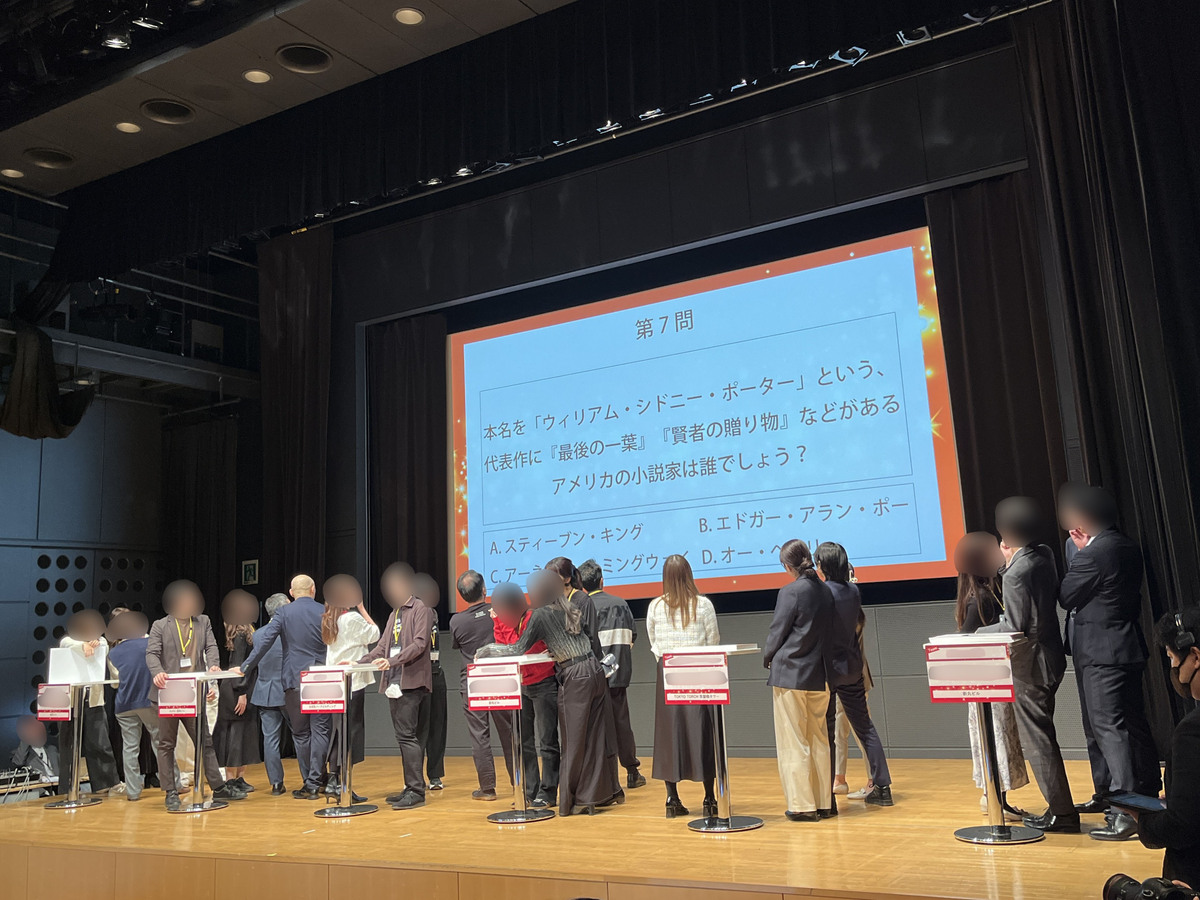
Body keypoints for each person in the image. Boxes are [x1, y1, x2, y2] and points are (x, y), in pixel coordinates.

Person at [1060, 484, 1162, 840]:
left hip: (1101, 653)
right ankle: (1135, 793)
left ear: (1086, 517)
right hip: (1125, 646)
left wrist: (1080, 551)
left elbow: (1067, 595)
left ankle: (1125, 810)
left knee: (1108, 728)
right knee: (1129, 723)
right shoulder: (1126, 545)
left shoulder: (1093, 552)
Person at [478, 571, 623, 816]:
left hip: (575, 675)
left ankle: (576, 800)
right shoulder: (569, 607)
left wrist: (486, 650)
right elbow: (587, 639)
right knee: (596, 737)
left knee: (572, 742)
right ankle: (606, 792)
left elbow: (517, 649)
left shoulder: (540, 615)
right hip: (594, 670)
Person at [983, 497, 1078, 834]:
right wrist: (1007, 564)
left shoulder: (1017, 571)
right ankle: (1061, 809)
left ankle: (1062, 813)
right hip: (1050, 656)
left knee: (1038, 742)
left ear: (1005, 531)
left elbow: (1014, 627)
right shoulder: (1044, 553)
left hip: (1031, 665)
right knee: (1043, 737)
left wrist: (977, 633)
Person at [146, 580, 246, 810]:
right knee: (167, 744)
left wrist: (213, 668)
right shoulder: (160, 625)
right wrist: (158, 672)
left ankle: (218, 787)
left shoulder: (203, 621)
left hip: (194, 690)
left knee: (204, 741)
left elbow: (211, 647)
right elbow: (151, 654)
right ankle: (171, 791)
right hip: (169, 691)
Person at [953, 531, 1030, 818]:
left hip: (994, 679)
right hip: (986, 683)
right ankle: (994, 797)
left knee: (1000, 739)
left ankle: (995, 797)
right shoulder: (980, 599)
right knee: (996, 739)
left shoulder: (985, 593)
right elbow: (966, 641)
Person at [235, 574, 331, 800]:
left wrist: (246, 666)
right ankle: (317, 780)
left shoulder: (284, 614)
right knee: (321, 731)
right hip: (321, 676)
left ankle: (306, 785)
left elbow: (265, 642)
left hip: (293, 680)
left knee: (301, 734)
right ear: (313, 589)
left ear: (291, 592)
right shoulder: (324, 611)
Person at [815, 542, 893, 807]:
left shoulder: (822, 592)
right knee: (865, 728)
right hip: (852, 667)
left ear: (822, 566)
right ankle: (882, 787)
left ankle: (827, 792)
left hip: (828, 669)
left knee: (826, 731)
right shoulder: (853, 590)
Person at [764, 539, 835, 822]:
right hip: (820, 674)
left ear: (787, 565)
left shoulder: (790, 591)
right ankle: (823, 803)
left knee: (793, 740)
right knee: (819, 738)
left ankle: (802, 805)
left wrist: (768, 657)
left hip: (790, 673)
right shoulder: (826, 590)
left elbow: (777, 631)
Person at [647, 554, 720, 819]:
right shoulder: (703, 605)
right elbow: (713, 640)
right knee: (703, 731)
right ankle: (709, 798)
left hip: (668, 671)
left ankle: (672, 798)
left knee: (670, 734)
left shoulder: (655, 606)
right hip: (699, 670)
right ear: (689, 574)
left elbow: (654, 642)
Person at [1132, 608, 1200, 887]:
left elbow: (1183, 825)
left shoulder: (1192, 731)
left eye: (1172, 657)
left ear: (1195, 657)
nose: (1173, 668)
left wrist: (1143, 821)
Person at [358, 562, 433, 811]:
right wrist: (359, 662)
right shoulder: (395, 613)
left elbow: (420, 644)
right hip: (394, 681)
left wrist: (391, 661)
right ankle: (410, 786)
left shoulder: (421, 608)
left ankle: (416, 790)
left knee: (408, 736)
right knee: (403, 736)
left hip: (412, 681)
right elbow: (382, 647)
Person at [492, 581, 560, 808]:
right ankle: (530, 791)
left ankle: (548, 792)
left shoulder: (534, 617)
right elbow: (502, 646)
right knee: (524, 741)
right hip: (520, 685)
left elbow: (522, 647)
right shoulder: (502, 620)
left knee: (547, 740)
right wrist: (498, 622)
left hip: (543, 682)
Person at [448, 570, 514, 800]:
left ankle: (487, 789)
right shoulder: (499, 611)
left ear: (462, 595)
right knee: (509, 732)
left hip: (472, 680)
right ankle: (519, 784)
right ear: (485, 590)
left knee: (479, 734)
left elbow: (457, 645)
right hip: (500, 677)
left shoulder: (456, 621)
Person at [579, 558, 645, 789]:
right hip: (617, 673)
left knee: (596, 727)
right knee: (621, 722)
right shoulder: (620, 603)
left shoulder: (581, 607)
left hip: (591, 675)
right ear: (602, 581)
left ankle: (605, 779)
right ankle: (632, 772)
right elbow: (632, 636)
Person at [322, 574, 379, 802]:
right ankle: (342, 783)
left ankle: (334, 780)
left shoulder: (328, 620)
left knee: (338, 731)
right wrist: (362, 608)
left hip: (335, 684)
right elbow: (375, 633)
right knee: (351, 732)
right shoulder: (352, 618)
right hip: (352, 683)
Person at [57, 609, 121, 795]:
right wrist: (84, 644)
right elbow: (68, 644)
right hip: (68, 701)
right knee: (68, 745)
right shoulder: (68, 641)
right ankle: (67, 787)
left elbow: (103, 645)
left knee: (99, 742)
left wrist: (95, 642)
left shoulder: (101, 641)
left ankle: (105, 784)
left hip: (94, 699)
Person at [106, 611, 162, 802]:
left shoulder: (113, 652)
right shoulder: (150, 644)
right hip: (147, 700)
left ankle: (132, 791)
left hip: (123, 704)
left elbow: (115, 682)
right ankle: (173, 783)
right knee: (161, 743)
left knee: (129, 748)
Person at [212, 589, 262, 794]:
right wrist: (242, 693)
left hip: (241, 686)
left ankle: (239, 778)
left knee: (243, 734)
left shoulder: (245, 631)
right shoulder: (240, 635)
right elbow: (238, 666)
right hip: (236, 689)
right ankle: (231, 779)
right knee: (234, 735)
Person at [250, 593, 290, 794]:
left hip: (265, 691)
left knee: (270, 740)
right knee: (301, 736)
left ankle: (276, 783)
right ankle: (310, 781)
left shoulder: (257, 634)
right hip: (288, 691)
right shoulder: (290, 633)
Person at [413, 572, 448, 792]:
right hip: (418, 677)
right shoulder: (408, 615)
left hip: (437, 673)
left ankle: (435, 775)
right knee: (420, 729)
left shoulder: (432, 613)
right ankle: (415, 776)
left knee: (438, 727)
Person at [546, 557, 603, 659]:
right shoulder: (552, 602)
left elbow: (591, 638)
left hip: (583, 663)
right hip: (561, 664)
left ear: (567, 579)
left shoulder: (582, 600)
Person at [11, 717, 58, 786]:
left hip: (58, 785)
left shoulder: (52, 749)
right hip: (40, 788)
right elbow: (18, 763)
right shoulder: (22, 753)